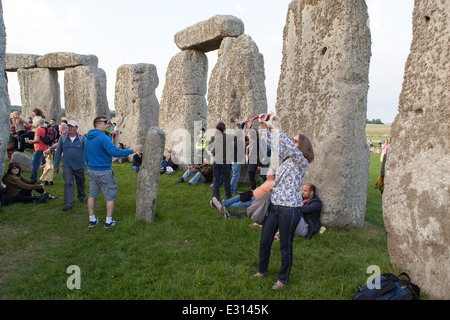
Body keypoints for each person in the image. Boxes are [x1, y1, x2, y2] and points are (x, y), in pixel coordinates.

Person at [254, 112, 314, 290]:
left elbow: (288, 145)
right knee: (265, 240)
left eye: (295, 140)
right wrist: (263, 126)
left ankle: (282, 279)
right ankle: (261, 271)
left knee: (285, 246)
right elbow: (272, 143)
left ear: (302, 146)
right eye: (293, 139)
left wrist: (274, 126)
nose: (292, 141)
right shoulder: (286, 159)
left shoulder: (301, 161)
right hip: (274, 206)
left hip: (290, 210)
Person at [84, 116, 142, 228]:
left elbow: (86, 155)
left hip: (92, 170)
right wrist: (132, 150)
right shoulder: (103, 137)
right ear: (98, 124)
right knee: (110, 195)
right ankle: (109, 221)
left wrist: (90, 165)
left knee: (92, 195)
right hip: (104, 171)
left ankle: (92, 219)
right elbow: (114, 152)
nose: (107, 125)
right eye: (105, 123)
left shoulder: (88, 138)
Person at [54, 120, 87, 212]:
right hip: (67, 164)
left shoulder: (82, 138)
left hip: (80, 164)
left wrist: (89, 163)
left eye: (72, 126)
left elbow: (87, 151)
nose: (70, 128)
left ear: (76, 128)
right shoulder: (63, 138)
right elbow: (58, 151)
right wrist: (56, 165)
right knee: (68, 183)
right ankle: (69, 203)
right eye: (69, 126)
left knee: (80, 182)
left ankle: (81, 196)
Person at [208, 121, 233, 203]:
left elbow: (209, 148)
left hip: (217, 160)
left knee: (216, 178)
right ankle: (228, 195)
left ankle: (216, 196)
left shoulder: (214, 137)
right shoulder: (228, 137)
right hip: (225, 160)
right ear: (224, 129)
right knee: (226, 178)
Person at [28, 118, 49, 183]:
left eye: (36, 122)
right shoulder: (46, 129)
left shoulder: (38, 130)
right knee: (45, 165)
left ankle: (33, 179)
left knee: (35, 164)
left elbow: (36, 140)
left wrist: (31, 141)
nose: (35, 123)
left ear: (39, 123)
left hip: (39, 149)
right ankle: (47, 180)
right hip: (46, 148)